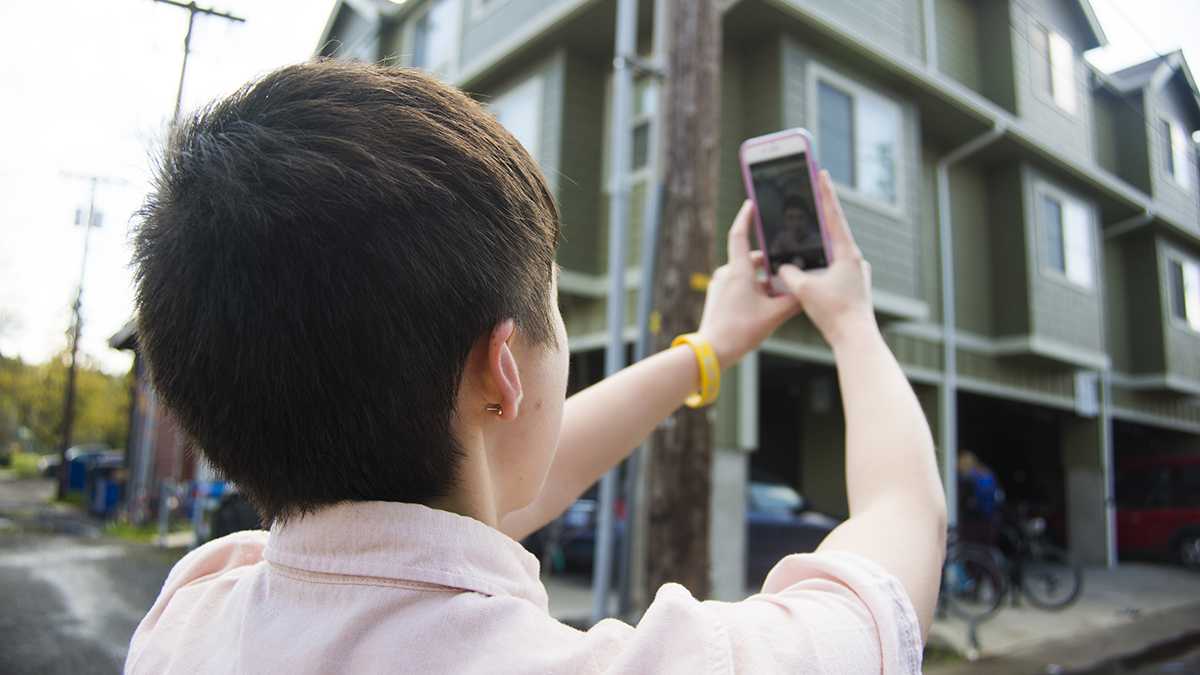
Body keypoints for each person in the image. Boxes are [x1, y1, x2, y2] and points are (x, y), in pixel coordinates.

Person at [125, 60, 946, 674]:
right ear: (502, 370)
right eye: (548, 313)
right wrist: (850, 317)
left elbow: (473, 499)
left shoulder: (193, 609)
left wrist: (707, 349)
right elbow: (902, 523)